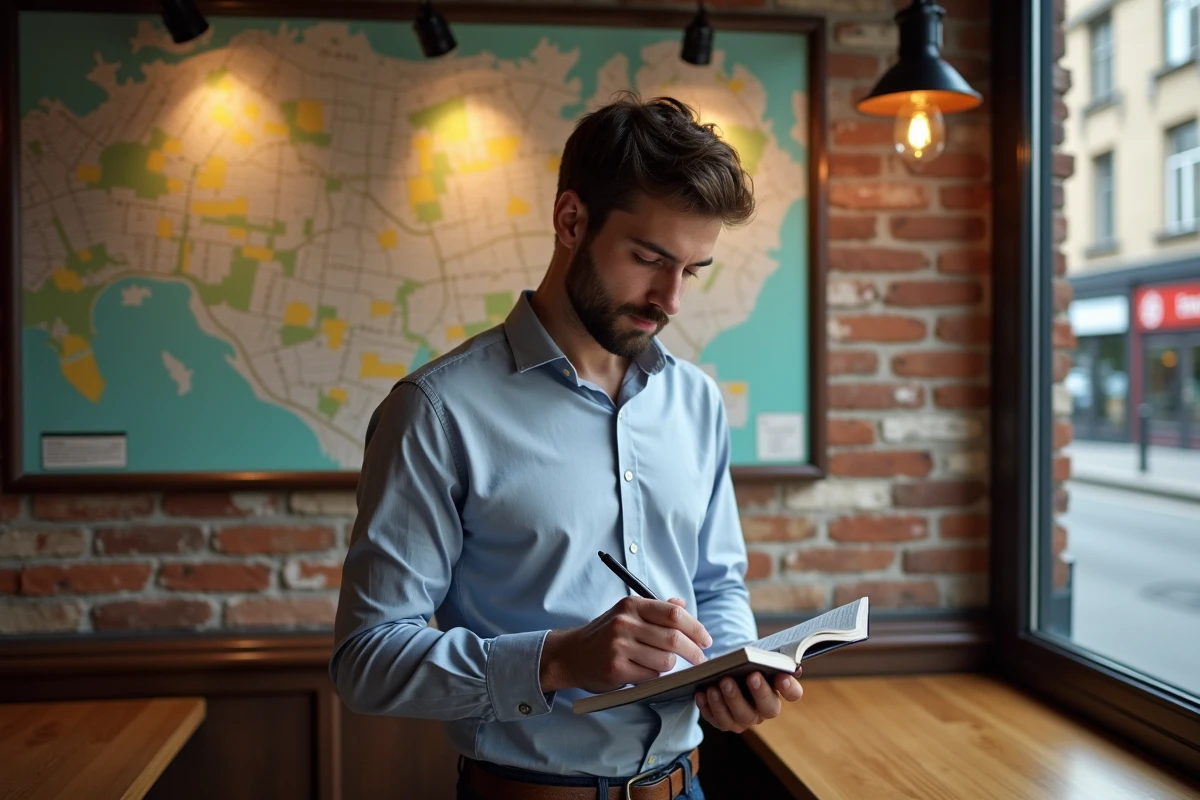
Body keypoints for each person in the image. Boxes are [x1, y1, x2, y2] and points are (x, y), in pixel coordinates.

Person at [330, 92, 804, 800]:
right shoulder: (435, 411)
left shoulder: (697, 402)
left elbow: (716, 584)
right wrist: (555, 660)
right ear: (571, 220)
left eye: (693, 270)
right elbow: (367, 662)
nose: (670, 300)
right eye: (649, 258)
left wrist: (734, 667)